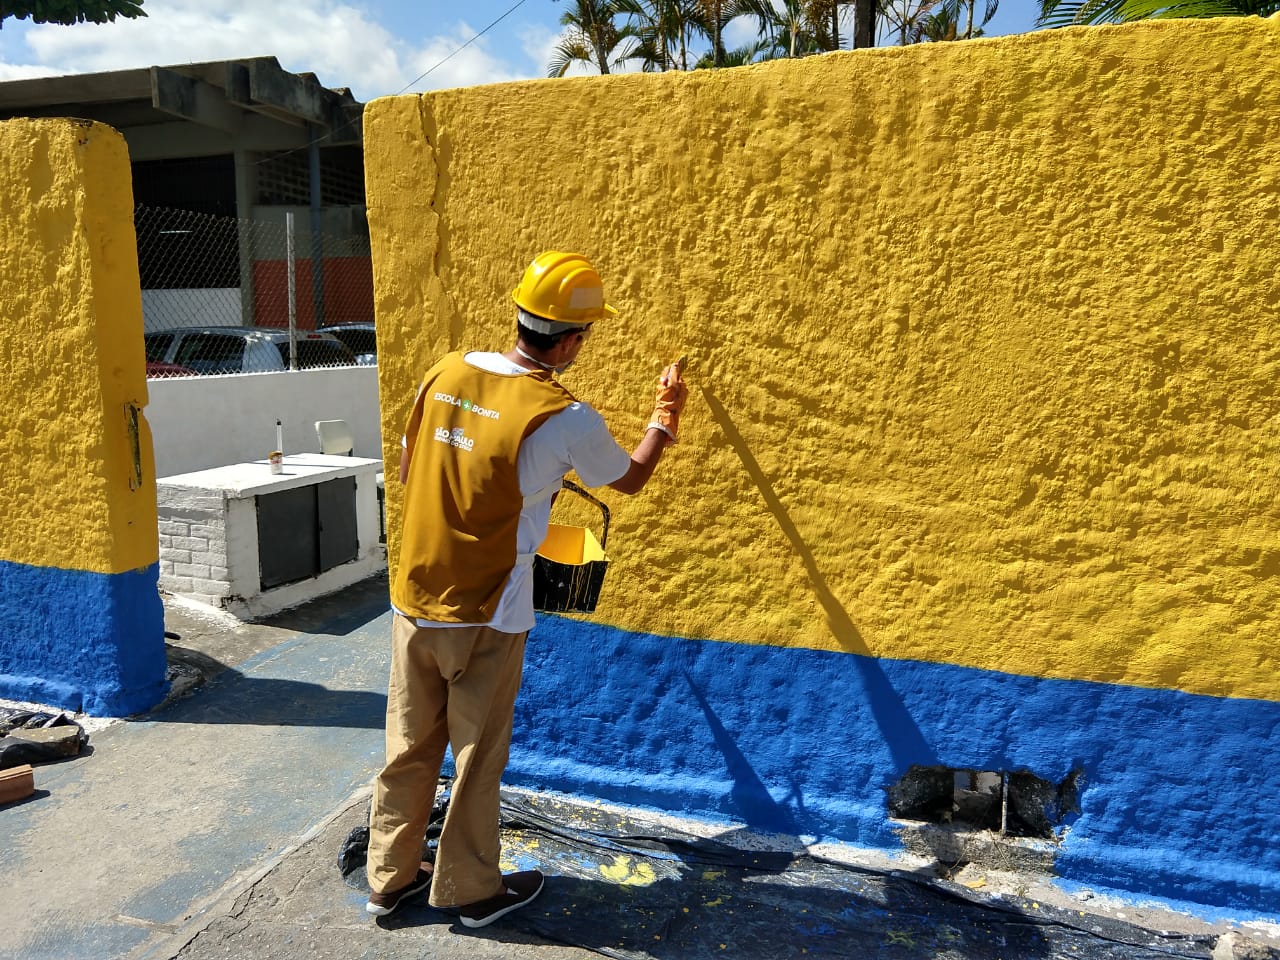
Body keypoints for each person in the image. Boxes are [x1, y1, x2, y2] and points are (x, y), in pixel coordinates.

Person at [364, 250, 687, 928]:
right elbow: (626, 480)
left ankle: (388, 879)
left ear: (519, 316)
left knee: (407, 747)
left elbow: (409, 462)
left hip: (413, 598)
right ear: (571, 340)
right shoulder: (565, 417)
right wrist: (664, 420)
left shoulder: (443, 371)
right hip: (490, 612)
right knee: (476, 759)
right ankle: (471, 892)